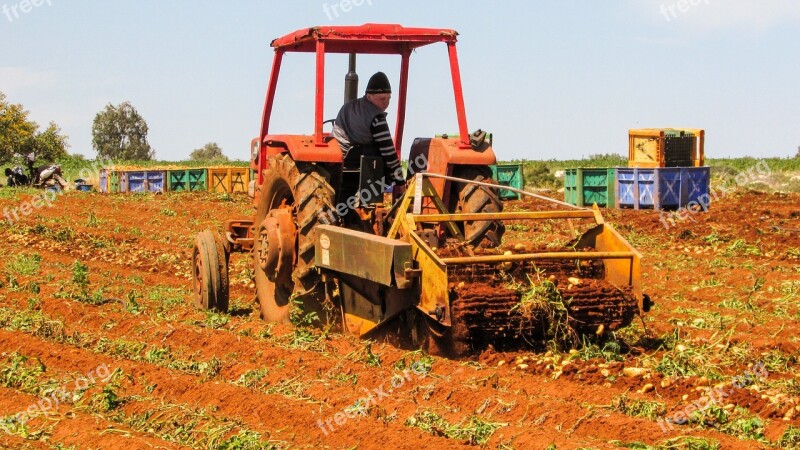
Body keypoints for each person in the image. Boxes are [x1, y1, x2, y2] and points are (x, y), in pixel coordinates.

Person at [332, 72, 404, 189]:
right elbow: (389, 153)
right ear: (369, 96)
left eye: (389, 98)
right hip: (355, 164)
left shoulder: (346, 107)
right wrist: (400, 182)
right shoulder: (377, 118)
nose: (386, 103)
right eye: (382, 99)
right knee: (385, 160)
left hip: (336, 161)